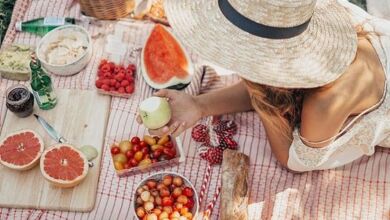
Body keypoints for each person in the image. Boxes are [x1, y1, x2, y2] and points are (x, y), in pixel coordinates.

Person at [138, 0, 390, 172]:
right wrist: (198, 105)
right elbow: (269, 87)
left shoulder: (327, 101)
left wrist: (260, 88)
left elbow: (294, 160)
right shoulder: (298, 18)